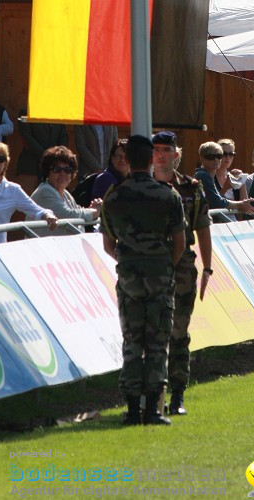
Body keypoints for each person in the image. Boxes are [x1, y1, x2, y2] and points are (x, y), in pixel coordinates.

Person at [101, 134, 185, 426]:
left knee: (133, 341)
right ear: (151, 160)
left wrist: (129, 263)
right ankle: (152, 409)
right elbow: (179, 243)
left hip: (129, 276)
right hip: (160, 274)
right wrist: (163, 265)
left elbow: (108, 245)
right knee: (158, 341)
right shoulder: (168, 196)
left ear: (128, 159)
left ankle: (133, 408)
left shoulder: (114, 195)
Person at [152, 131, 212, 417]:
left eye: (167, 149)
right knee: (151, 333)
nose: (162, 154)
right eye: (157, 149)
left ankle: (177, 394)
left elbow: (202, 227)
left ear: (177, 154)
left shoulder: (191, 187)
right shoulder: (142, 187)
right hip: (149, 265)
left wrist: (208, 267)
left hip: (183, 268)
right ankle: (152, 395)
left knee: (178, 332)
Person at [0, 140, 57, 244]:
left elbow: (37, 211)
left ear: (5, 163)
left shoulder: (13, 190)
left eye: (0, 159)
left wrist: (48, 215)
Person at [31, 146, 100, 226]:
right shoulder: (45, 192)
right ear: (47, 172)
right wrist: (95, 211)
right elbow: (68, 216)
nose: (62, 173)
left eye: (67, 170)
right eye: (57, 169)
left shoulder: (66, 194)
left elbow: (78, 212)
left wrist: (92, 208)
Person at [194, 142, 254, 216]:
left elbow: (219, 200)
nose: (216, 159)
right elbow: (217, 202)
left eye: (219, 156)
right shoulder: (203, 175)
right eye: (211, 156)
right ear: (202, 159)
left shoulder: (208, 176)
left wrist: (242, 182)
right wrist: (241, 204)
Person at [15, 116, 68, 196]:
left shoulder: (57, 113)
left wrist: (59, 156)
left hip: (54, 168)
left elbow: (63, 136)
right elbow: (27, 137)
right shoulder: (26, 112)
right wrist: (48, 157)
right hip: (31, 168)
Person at [216, 138, 248, 204]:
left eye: (231, 154)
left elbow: (244, 207)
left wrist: (242, 181)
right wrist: (225, 188)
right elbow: (213, 203)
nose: (228, 157)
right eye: (224, 154)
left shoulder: (233, 177)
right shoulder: (210, 177)